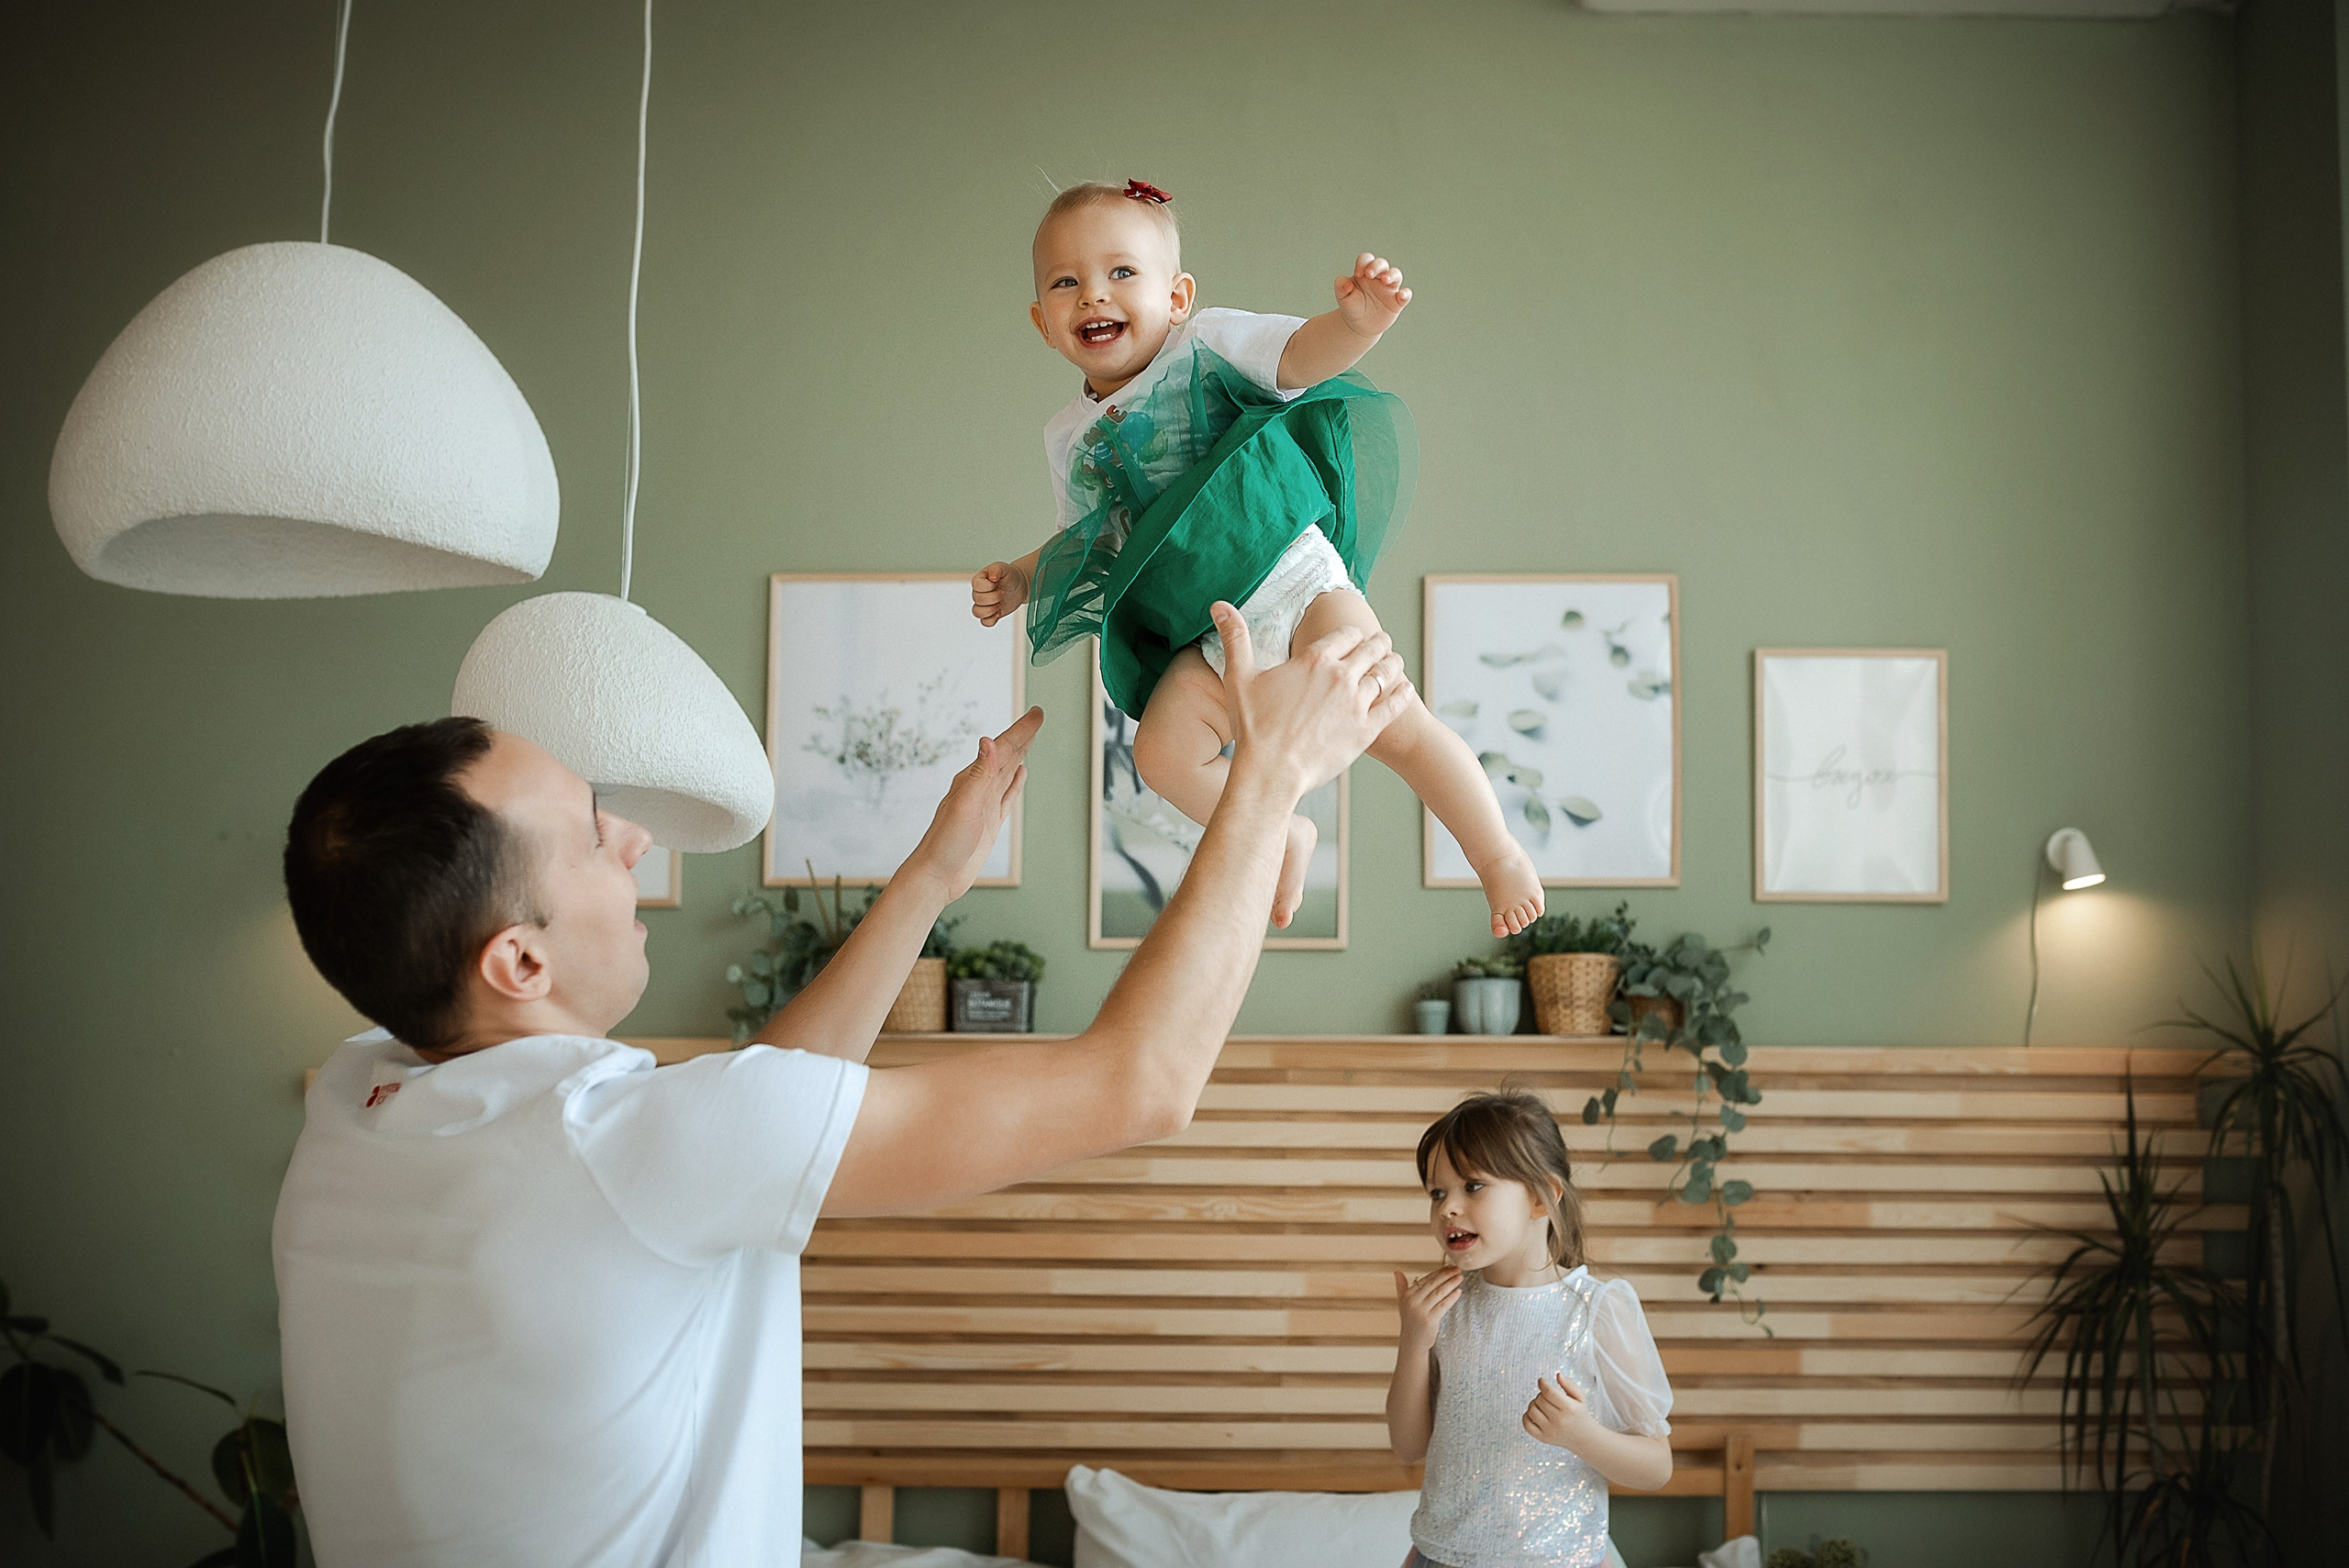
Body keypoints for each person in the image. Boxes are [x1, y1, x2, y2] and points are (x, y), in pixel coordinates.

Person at [271, 604, 1409, 1568]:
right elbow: (1139, 1083)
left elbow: (752, 1105)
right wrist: (1268, 777)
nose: (625, 834)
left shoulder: (359, 1100)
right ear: (520, 963)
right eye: (584, 835)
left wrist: (930, 876)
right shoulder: (611, 1138)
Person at [971, 178, 1542, 938]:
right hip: (1203, 626)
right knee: (1161, 753)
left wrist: (1356, 324)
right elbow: (1089, 538)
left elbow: (1302, 357)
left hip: (1293, 578)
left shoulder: (1207, 343)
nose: (1092, 296)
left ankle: (1496, 852)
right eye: (1066, 283)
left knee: (1395, 721)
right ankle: (1284, 833)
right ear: (1044, 321)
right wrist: (1020, 575)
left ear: (1177, 296)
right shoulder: (1068, 438)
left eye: (1120, 273)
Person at [1386, 1090, 1675, 1568]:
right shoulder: (1446, 1307)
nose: (1447, 1209)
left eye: (1472, 1187)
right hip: (1441, 1556)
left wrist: (1582, 1435)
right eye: (1438, 1192)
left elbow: (1657, 1467)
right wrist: (1414, 1341)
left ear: (1542, 1197)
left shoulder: (1597, 1309)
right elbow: (1408, 1446)